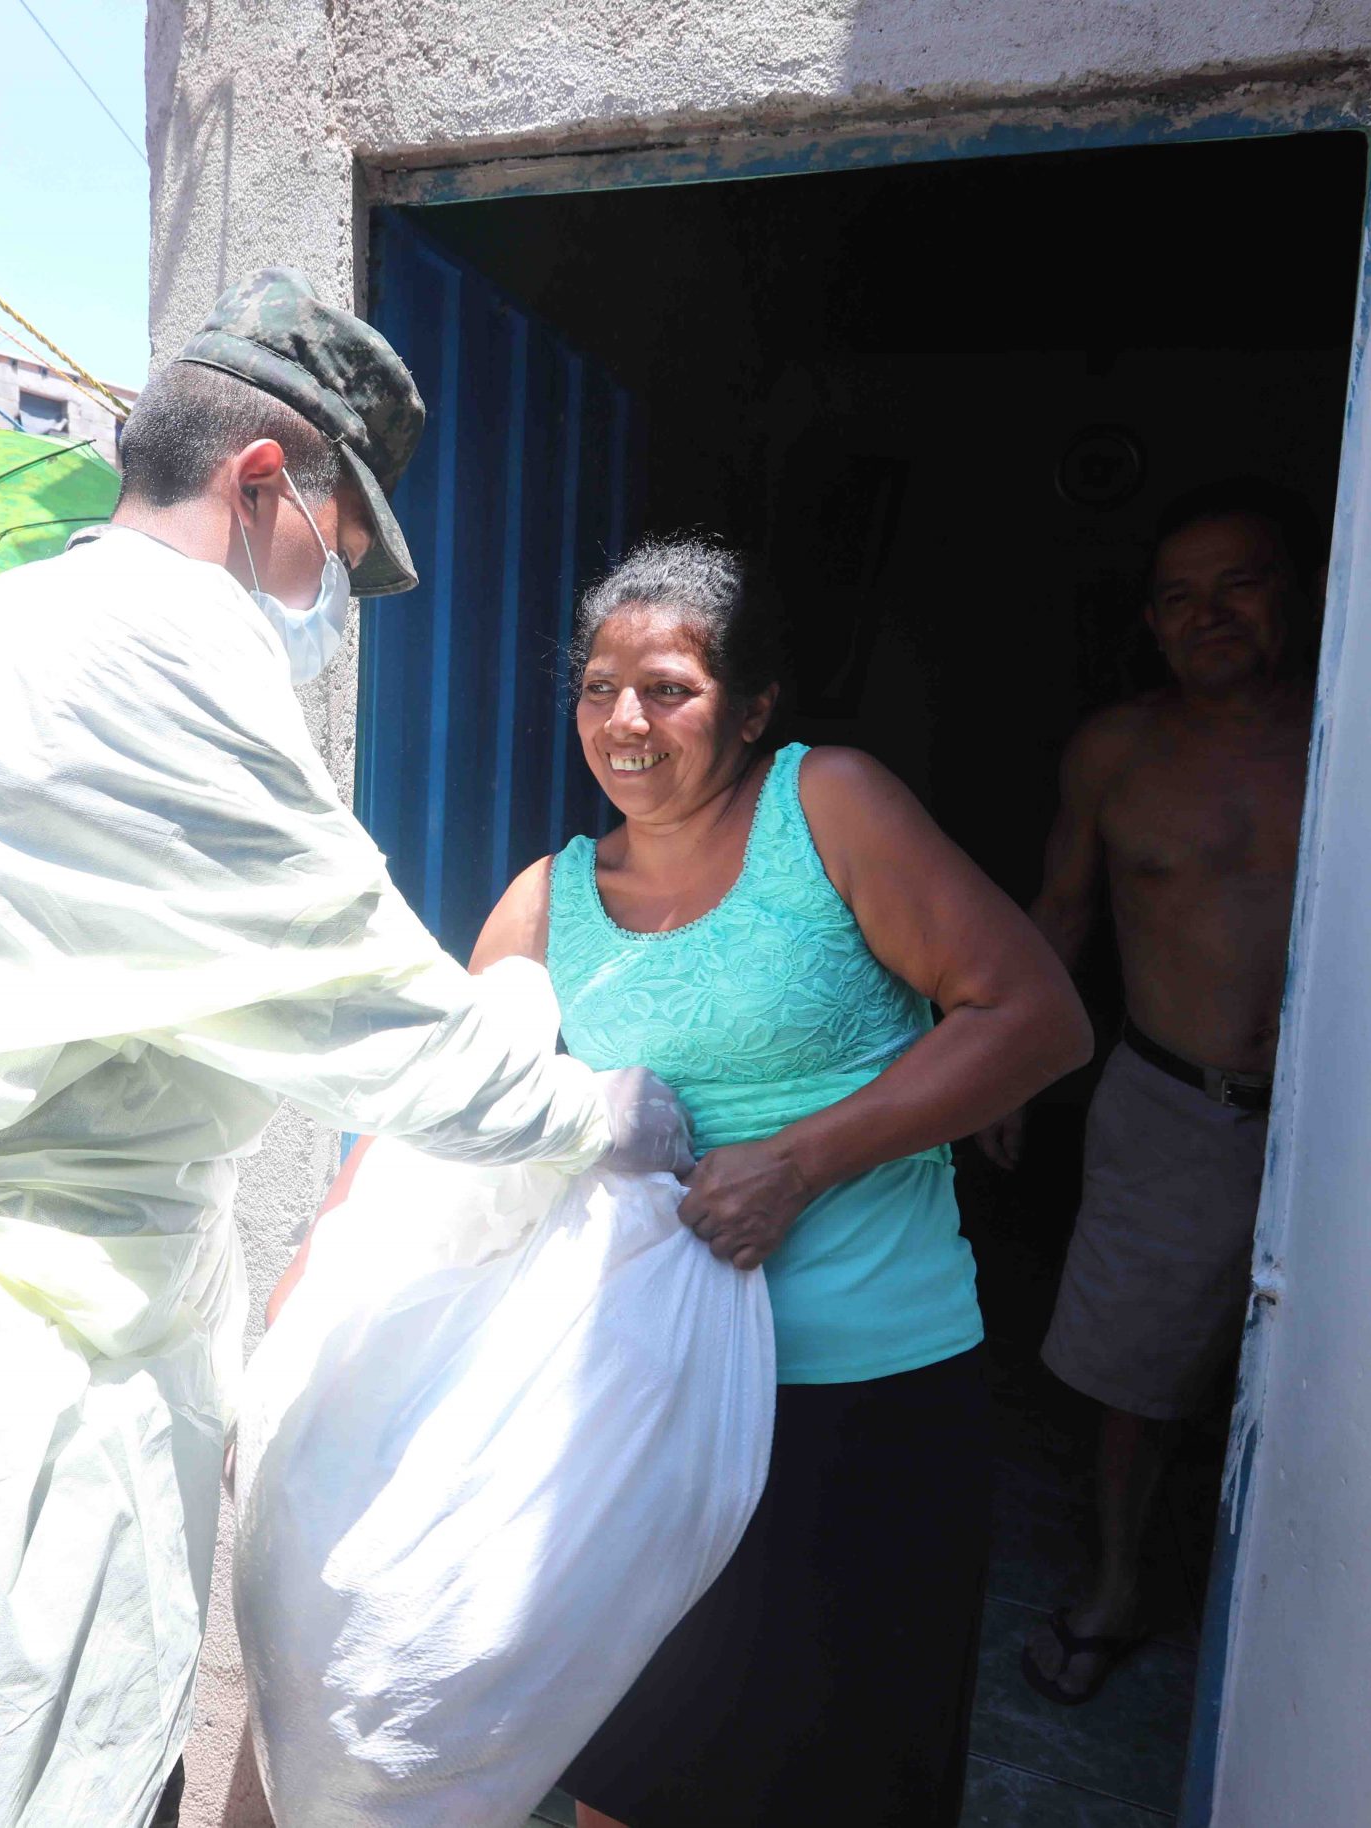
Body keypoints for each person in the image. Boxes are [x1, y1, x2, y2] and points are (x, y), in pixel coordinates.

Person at [0, 269, 693, 1828]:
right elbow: (375, 1013)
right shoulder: (151, 664)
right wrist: (599, 1114)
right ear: (266, 483)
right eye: (344, 551)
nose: (332, 601)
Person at [397, 533, 1087, 1827]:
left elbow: (1035, 1015)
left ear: (755, 708)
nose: (625, 720)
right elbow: (445, 1119)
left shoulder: (828, 806)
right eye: (599, 687)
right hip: (643, 1403)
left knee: (843, 1763)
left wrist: (806, 1158)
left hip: (865, 1387)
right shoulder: (550, 900)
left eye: (670, 688)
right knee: (634, 1758)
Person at [978, 479, 1318, 1708]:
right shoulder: (1117, 751)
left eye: (1236, 583)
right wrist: (1003, 1058)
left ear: (1293, 591)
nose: (1207, 614)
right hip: (1175, 1101)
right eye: (1179, 597)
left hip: (1357, 1121)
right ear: (1153, 623)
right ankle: (1117, 1585)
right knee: (1133, 1375)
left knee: (1335, 1375)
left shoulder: (1364, 729)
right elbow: (1060, 910)